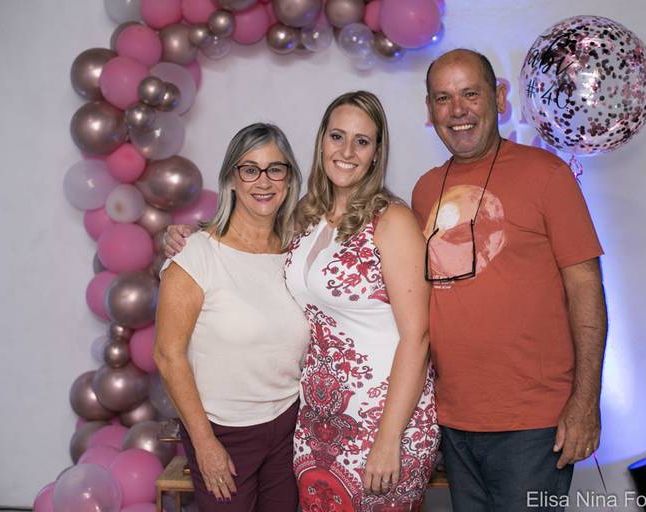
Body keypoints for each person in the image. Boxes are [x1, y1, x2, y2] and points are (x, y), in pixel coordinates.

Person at [164, 91, 440, 511]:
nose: (346, 152)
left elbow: (417, 337)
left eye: (362, 141)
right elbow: (241, 251)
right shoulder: (307, 219)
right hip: (315, 422)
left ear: (376, 153)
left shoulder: (392, 220)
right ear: (321, 142)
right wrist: (182, 237)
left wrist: (389, 437)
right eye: (337, 136)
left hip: (381, 419)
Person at [411, 48, 608, 511]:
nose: (457, 110)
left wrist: (585, 401)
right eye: (443, 98)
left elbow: (587, 288)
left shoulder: (548, 174)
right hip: (454, 420)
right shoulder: (424, 189)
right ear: (430, 110)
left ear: (498, 98)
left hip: (533, 424)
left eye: (470, 94)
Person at [153, 123, 311, 512]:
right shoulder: (196, 254)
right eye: (250, 169)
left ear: (289, 179)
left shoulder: (297, 254)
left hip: (288, 426)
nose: (264, 181)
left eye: (276, 169)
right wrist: (204, 443)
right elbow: (167, 357)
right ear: (231, 179)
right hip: (223, 432)